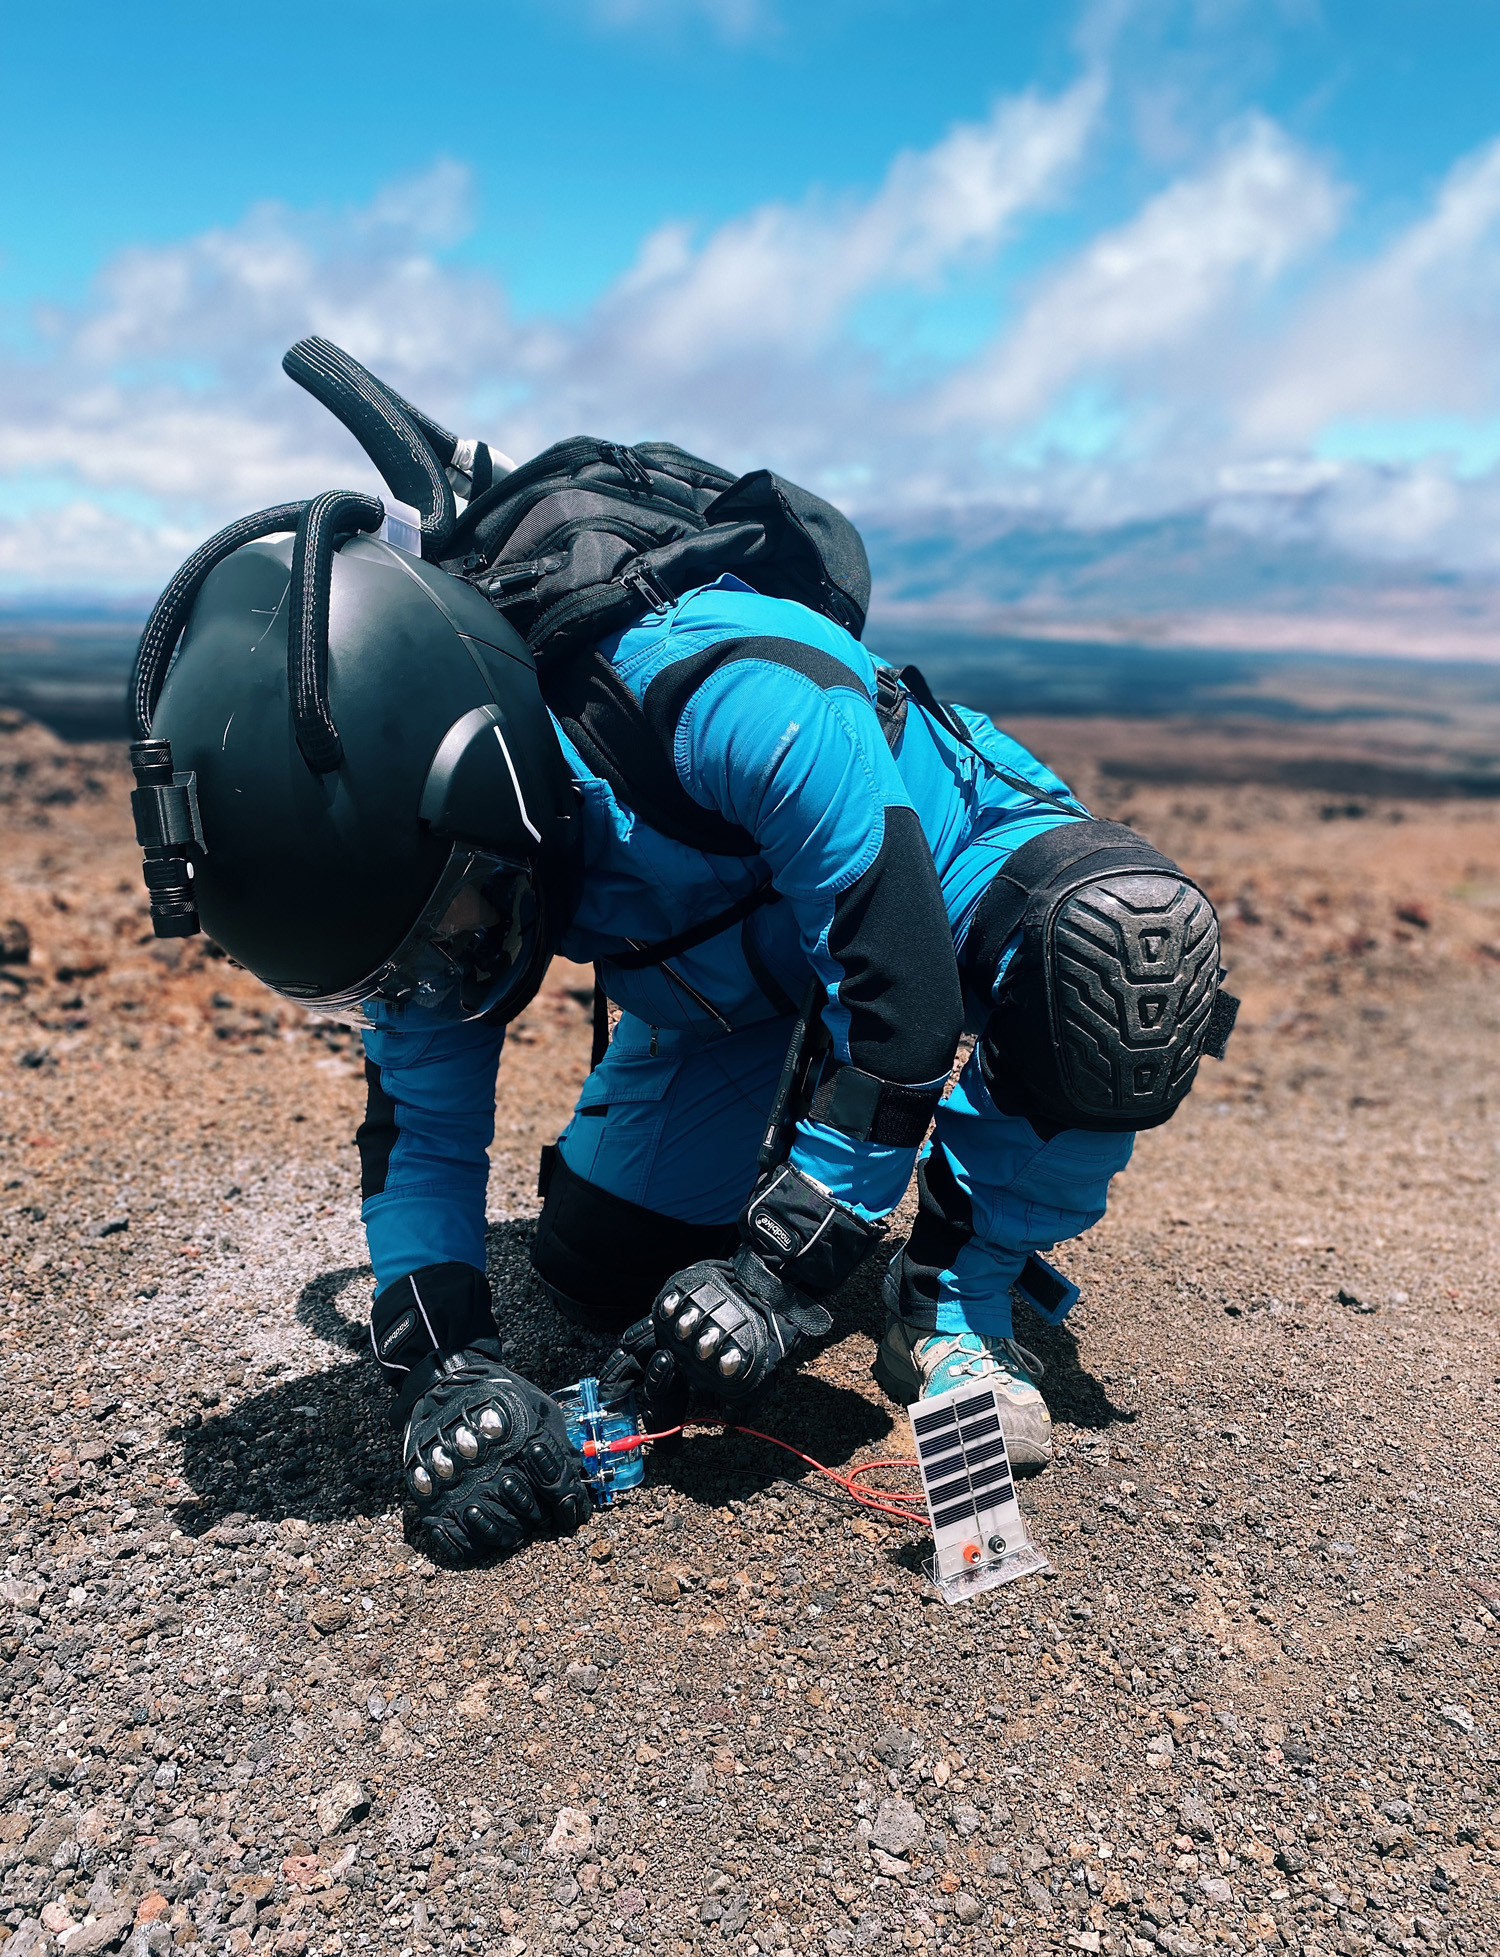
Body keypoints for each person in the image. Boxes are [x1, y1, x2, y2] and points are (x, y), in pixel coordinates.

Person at [126, 344, 1230, 1562]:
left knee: (1117, 945)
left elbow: (903, 1007)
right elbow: (421, 1136)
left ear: (494, 791)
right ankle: (794, 1155)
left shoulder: (736, 695)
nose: (448, 974)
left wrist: (778, 1271)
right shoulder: (432, 871)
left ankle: (954, 1292)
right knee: (604, 1272)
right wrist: (442, 1374)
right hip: (727, 990)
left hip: (938, 880)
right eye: (408, 965)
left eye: (449, 934)